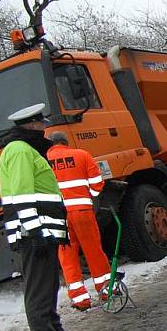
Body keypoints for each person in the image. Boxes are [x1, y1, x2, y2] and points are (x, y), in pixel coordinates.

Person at [0, 104, 83, 331]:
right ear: (31, 125)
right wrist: (34, 231)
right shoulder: (20, 150)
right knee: (38, 290)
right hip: (32, 232)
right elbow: (22, 195)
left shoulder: (25, 149)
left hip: (40, 229)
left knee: (48, 285)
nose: (45, 128)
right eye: (41, 124)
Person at [46, 132, 112, 311]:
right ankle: (106, 290)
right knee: (94, 251)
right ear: (66, 143)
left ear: (50, 144)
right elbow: (97, 184)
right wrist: (91, 197)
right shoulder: (82, 155)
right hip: (82, 212)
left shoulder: (43, 161)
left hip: (58, 215)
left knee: (67, 256)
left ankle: (80, 299)